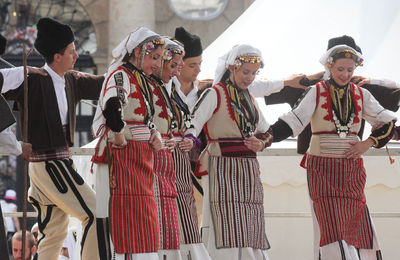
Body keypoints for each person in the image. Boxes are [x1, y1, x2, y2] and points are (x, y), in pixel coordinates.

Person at [269, 35, 396, 260]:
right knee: (331, 228)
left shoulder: (361, 94)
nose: (345, 74)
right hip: (322, 171)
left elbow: (386, 122)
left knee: (356, 222)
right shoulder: (315, 92)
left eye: (350, 69)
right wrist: (267, 136)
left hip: (351, 172)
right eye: (340, 69)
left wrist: (367, 143)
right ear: (329, 66)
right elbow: (293, 120)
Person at [1, 17, 104, 260]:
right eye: (71, 51)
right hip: (50, 166)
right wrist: (22, 71)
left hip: (51, 167)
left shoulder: (71, 80)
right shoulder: (31, 78)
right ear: (57, 57)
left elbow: (104, 85)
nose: (77, 56)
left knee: (54, 233)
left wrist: (128, 71)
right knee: (95, 214)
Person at [186, 44, 273, 260]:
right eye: (245, 72)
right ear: (232, 68)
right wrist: (189, 139)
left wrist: (261, 143)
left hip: (248, 168)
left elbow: (266, 130)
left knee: (248, 217)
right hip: (222, 165)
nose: (249, 78)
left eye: (253, 73)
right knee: (223, 218)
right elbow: (194, 122)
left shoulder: (249, 99)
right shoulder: (215, 93)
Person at [92, 27, 164, 259]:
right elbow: (113, 105)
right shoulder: (121, 74)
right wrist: (119, 132)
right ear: (137, 52)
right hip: (124, 156)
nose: (157, 64)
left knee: (143, 214)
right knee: (128, 214)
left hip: (141, 156)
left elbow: (144, 116)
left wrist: (153, 133)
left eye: (159, 59)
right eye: (154, 58)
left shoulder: (142, 80)